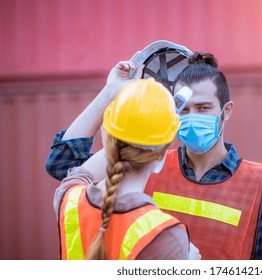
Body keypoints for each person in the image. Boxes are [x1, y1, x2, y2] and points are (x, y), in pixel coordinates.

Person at [46, 47, 262, 259]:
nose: (192, 116)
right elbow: (61, 165)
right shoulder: (149, 164)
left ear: (226, 111)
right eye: (183, 109)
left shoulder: (260, 184)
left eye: (203, 108)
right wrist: (114, 92)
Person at [54, 78, 201, 260]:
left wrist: (112, 91)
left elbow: (78, 171)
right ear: (161, 155)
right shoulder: (166, 237)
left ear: (107, 140)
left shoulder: (69, 199)